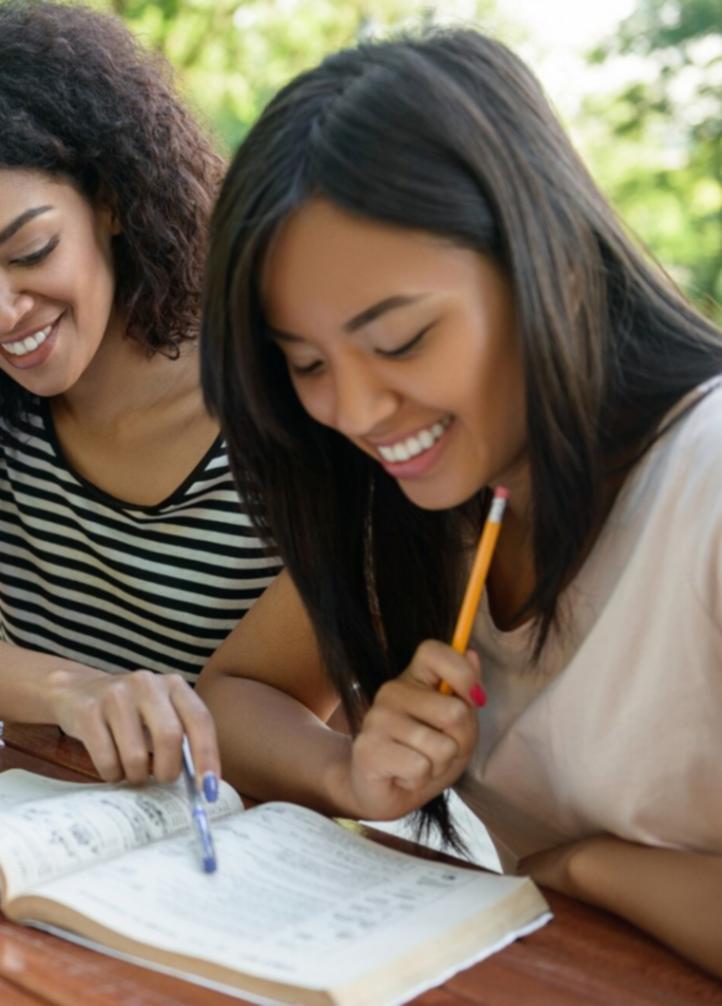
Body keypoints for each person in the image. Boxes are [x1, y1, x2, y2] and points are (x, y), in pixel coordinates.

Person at [197, 28, 722, 975]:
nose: (353, 411)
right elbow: (235, 698)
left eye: (399, 340)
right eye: (306, 363)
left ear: (549, 266)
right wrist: (345, 770)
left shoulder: (705, 480)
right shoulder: (420, 501)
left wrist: (595, 869)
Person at [0, 0, 282, 788]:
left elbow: (264, 719)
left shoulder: (275, 398)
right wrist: (75, 692)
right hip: (37, 818)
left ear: (111, 199)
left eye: (30, 250)